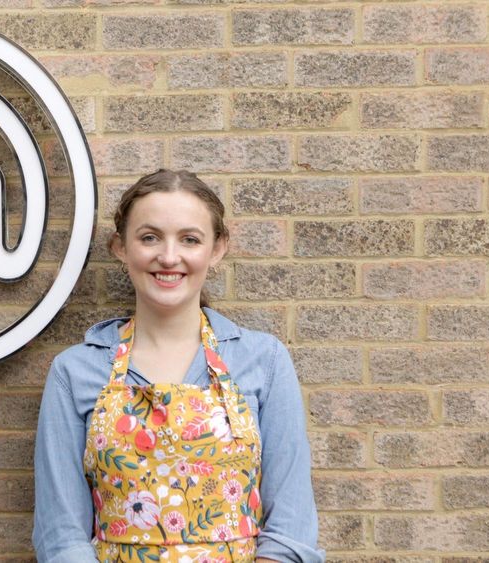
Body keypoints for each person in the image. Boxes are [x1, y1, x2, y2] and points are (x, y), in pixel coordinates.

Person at [33, 169, 324, 562]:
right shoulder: (75, 372)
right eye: (149, 237)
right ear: (120, 247)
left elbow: (292, 529)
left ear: (217, 248)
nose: (169, 257)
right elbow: (61, 537)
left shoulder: (264, 361)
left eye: (190, 239)